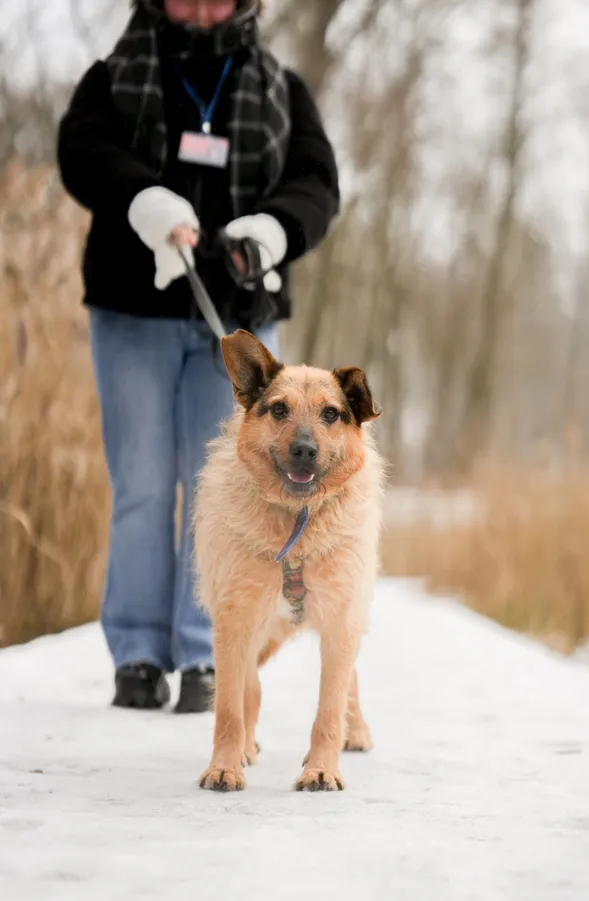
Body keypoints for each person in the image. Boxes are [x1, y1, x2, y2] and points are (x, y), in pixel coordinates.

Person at [57, 0, 340, 713]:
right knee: (145, 482)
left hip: (242, 324)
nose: (204, 5)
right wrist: (143, 198)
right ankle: (139, 653)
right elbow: (81, 151)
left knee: (232, 488)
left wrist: (273, 229)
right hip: (134, 310)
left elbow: (317, 183)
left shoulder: (281, 87)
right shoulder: (115, 75)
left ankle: (210, 651)